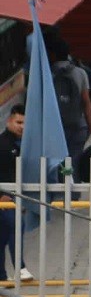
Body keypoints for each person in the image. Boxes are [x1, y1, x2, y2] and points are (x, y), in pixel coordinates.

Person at [49, 38, 91, 162]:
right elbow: (87, 102)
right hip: (78, 126)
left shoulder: (48, 74)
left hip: (56, 129)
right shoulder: (80, 73)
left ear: (52, 55)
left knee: (56, 165)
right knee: (73, 163)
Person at [0, 104, 34, 282]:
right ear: (9, 121)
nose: (21, 127)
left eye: (24, 124)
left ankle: (1, 277)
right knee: (16, 225)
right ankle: (20, 268)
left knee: (3, 236)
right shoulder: (3, 144)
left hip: (12, 197)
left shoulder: (19, 144)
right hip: (4, 198)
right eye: (18, 122)